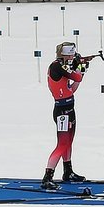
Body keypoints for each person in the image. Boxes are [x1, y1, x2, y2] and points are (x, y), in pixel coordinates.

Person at [41, 42, 89, 190]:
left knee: (69, 142)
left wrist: (80, 71)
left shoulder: (63, 67)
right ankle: (47, 177)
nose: (72, 57)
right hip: (62, 111)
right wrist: (79, 70)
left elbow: (71, 88)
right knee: (62, 144)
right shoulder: (57, 66)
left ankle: (68, 171)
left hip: (69, 108)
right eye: (71, 54)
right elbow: (76, 77)